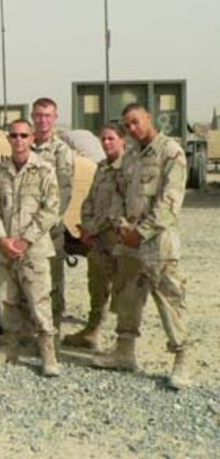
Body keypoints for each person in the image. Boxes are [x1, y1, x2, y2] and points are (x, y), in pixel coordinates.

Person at [93, 103, 190, 390]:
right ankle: (124, 352)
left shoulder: (170, 152)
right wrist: (122, 225)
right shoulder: (131, 156)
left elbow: (170, 202)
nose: (132, 129)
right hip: (129, 242)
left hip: (158, 244)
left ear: (148, 118)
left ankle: (181, 358)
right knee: (126, 297)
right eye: (127, 125)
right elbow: (119, 193)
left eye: (135, 122)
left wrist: (142, 232)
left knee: (170, 301)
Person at [0, 119, 60, 377]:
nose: (18, 140)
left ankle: (48, 352)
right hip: (5, 249)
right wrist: (3, 239)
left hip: (34, 249)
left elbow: (51, 209)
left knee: (39, 301)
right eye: (14, 136)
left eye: (23, 136)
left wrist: (25, 240)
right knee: (6, 300)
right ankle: (11, 345)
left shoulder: (44, 170)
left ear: (31, 139)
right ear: (8, 139)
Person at [63, 123, 126, 350]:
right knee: (96, 285)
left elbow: (116, 209)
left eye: (111, 138)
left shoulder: (129, 169)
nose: (106, 143)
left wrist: (93, 228)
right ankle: (92, 330)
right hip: (98, 239)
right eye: (103, 139)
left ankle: (124, 343)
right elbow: (90, 199)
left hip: (118, 238)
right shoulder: (101, 167)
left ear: (122, 140)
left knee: (123, 290)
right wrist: (86, 226)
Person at [30, 97, 74, 336]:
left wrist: (49, 221)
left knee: (53, 282)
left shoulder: (61, 151)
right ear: (32, 117)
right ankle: (30, 331)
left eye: (47, 115)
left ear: (55, 118)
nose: (42, 120)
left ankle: (53, 332)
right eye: (38, 115)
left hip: (49, 228)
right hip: (26, 226)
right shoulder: (25, 146)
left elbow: (65, 190)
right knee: (28, 280)